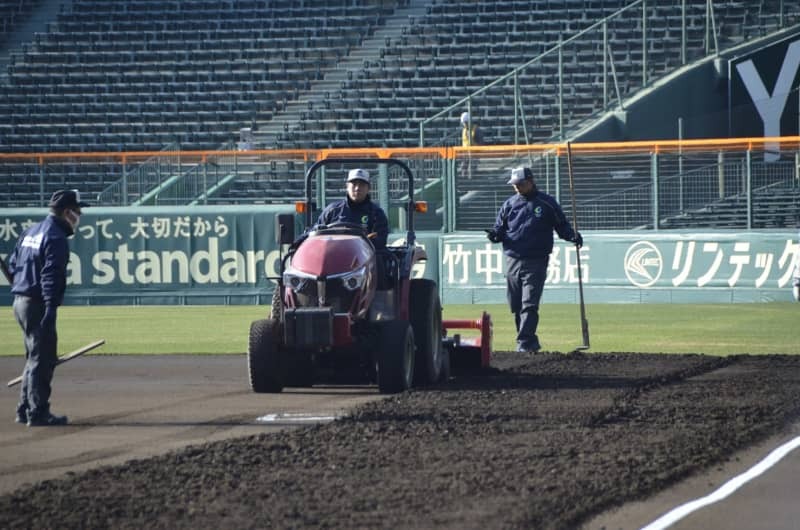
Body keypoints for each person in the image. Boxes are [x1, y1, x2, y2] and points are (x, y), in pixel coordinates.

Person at [7, 189, 88, 426]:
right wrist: (51, 309)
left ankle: (24, 409)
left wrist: (21, 282)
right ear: (67, 212)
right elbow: (51, 275)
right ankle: (38, 412)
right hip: (37, 304)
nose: (79, 216)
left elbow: (14, 263)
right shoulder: (55, 237)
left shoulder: (32, 231)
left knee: (33, 357)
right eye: (78, 211)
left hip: (20, 302)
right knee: (42, 360)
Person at [485, 167, 583, 353]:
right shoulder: (509, 204)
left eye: (520, 184)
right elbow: (499, 229)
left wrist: (572, 236)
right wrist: (494, 236)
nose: (517, 188)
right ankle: (529, 342)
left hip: (536, 260)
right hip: (512, 259)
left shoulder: (547, 203)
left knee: (529, 303)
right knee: (516, 305)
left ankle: (524, 343)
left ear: (531, 181)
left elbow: (562, 226)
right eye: (514, 185)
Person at [315, 168, 389, 249]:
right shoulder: (332, 211)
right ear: (347, 186)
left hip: (364, 257)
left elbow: (380, 242)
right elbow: (315, 233)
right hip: (333, 256)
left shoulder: (376, 214)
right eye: (354, 184)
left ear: (368, 188)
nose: (357, 188)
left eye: (362, 185)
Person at [459, 111, 483, 179]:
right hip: (465, 154)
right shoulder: (464, 130)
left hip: (474, 154)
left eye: (466, 122)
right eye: (464, 123)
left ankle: (472, 182)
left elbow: (481, 143)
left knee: (471, 171)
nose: (465, 124)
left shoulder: (476, 130)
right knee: (463, 168)